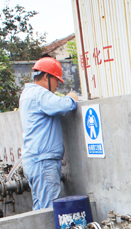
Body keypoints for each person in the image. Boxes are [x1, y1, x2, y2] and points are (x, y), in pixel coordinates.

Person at [19, 57, 79, 210]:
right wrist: (72, 98)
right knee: (50, 211)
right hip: (43, 162)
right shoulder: (39, 94)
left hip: (35, 161)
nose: (58, 85)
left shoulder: (27, 93)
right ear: (46, 76)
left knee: (40, 209)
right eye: (56, 80)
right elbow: (63, 106)